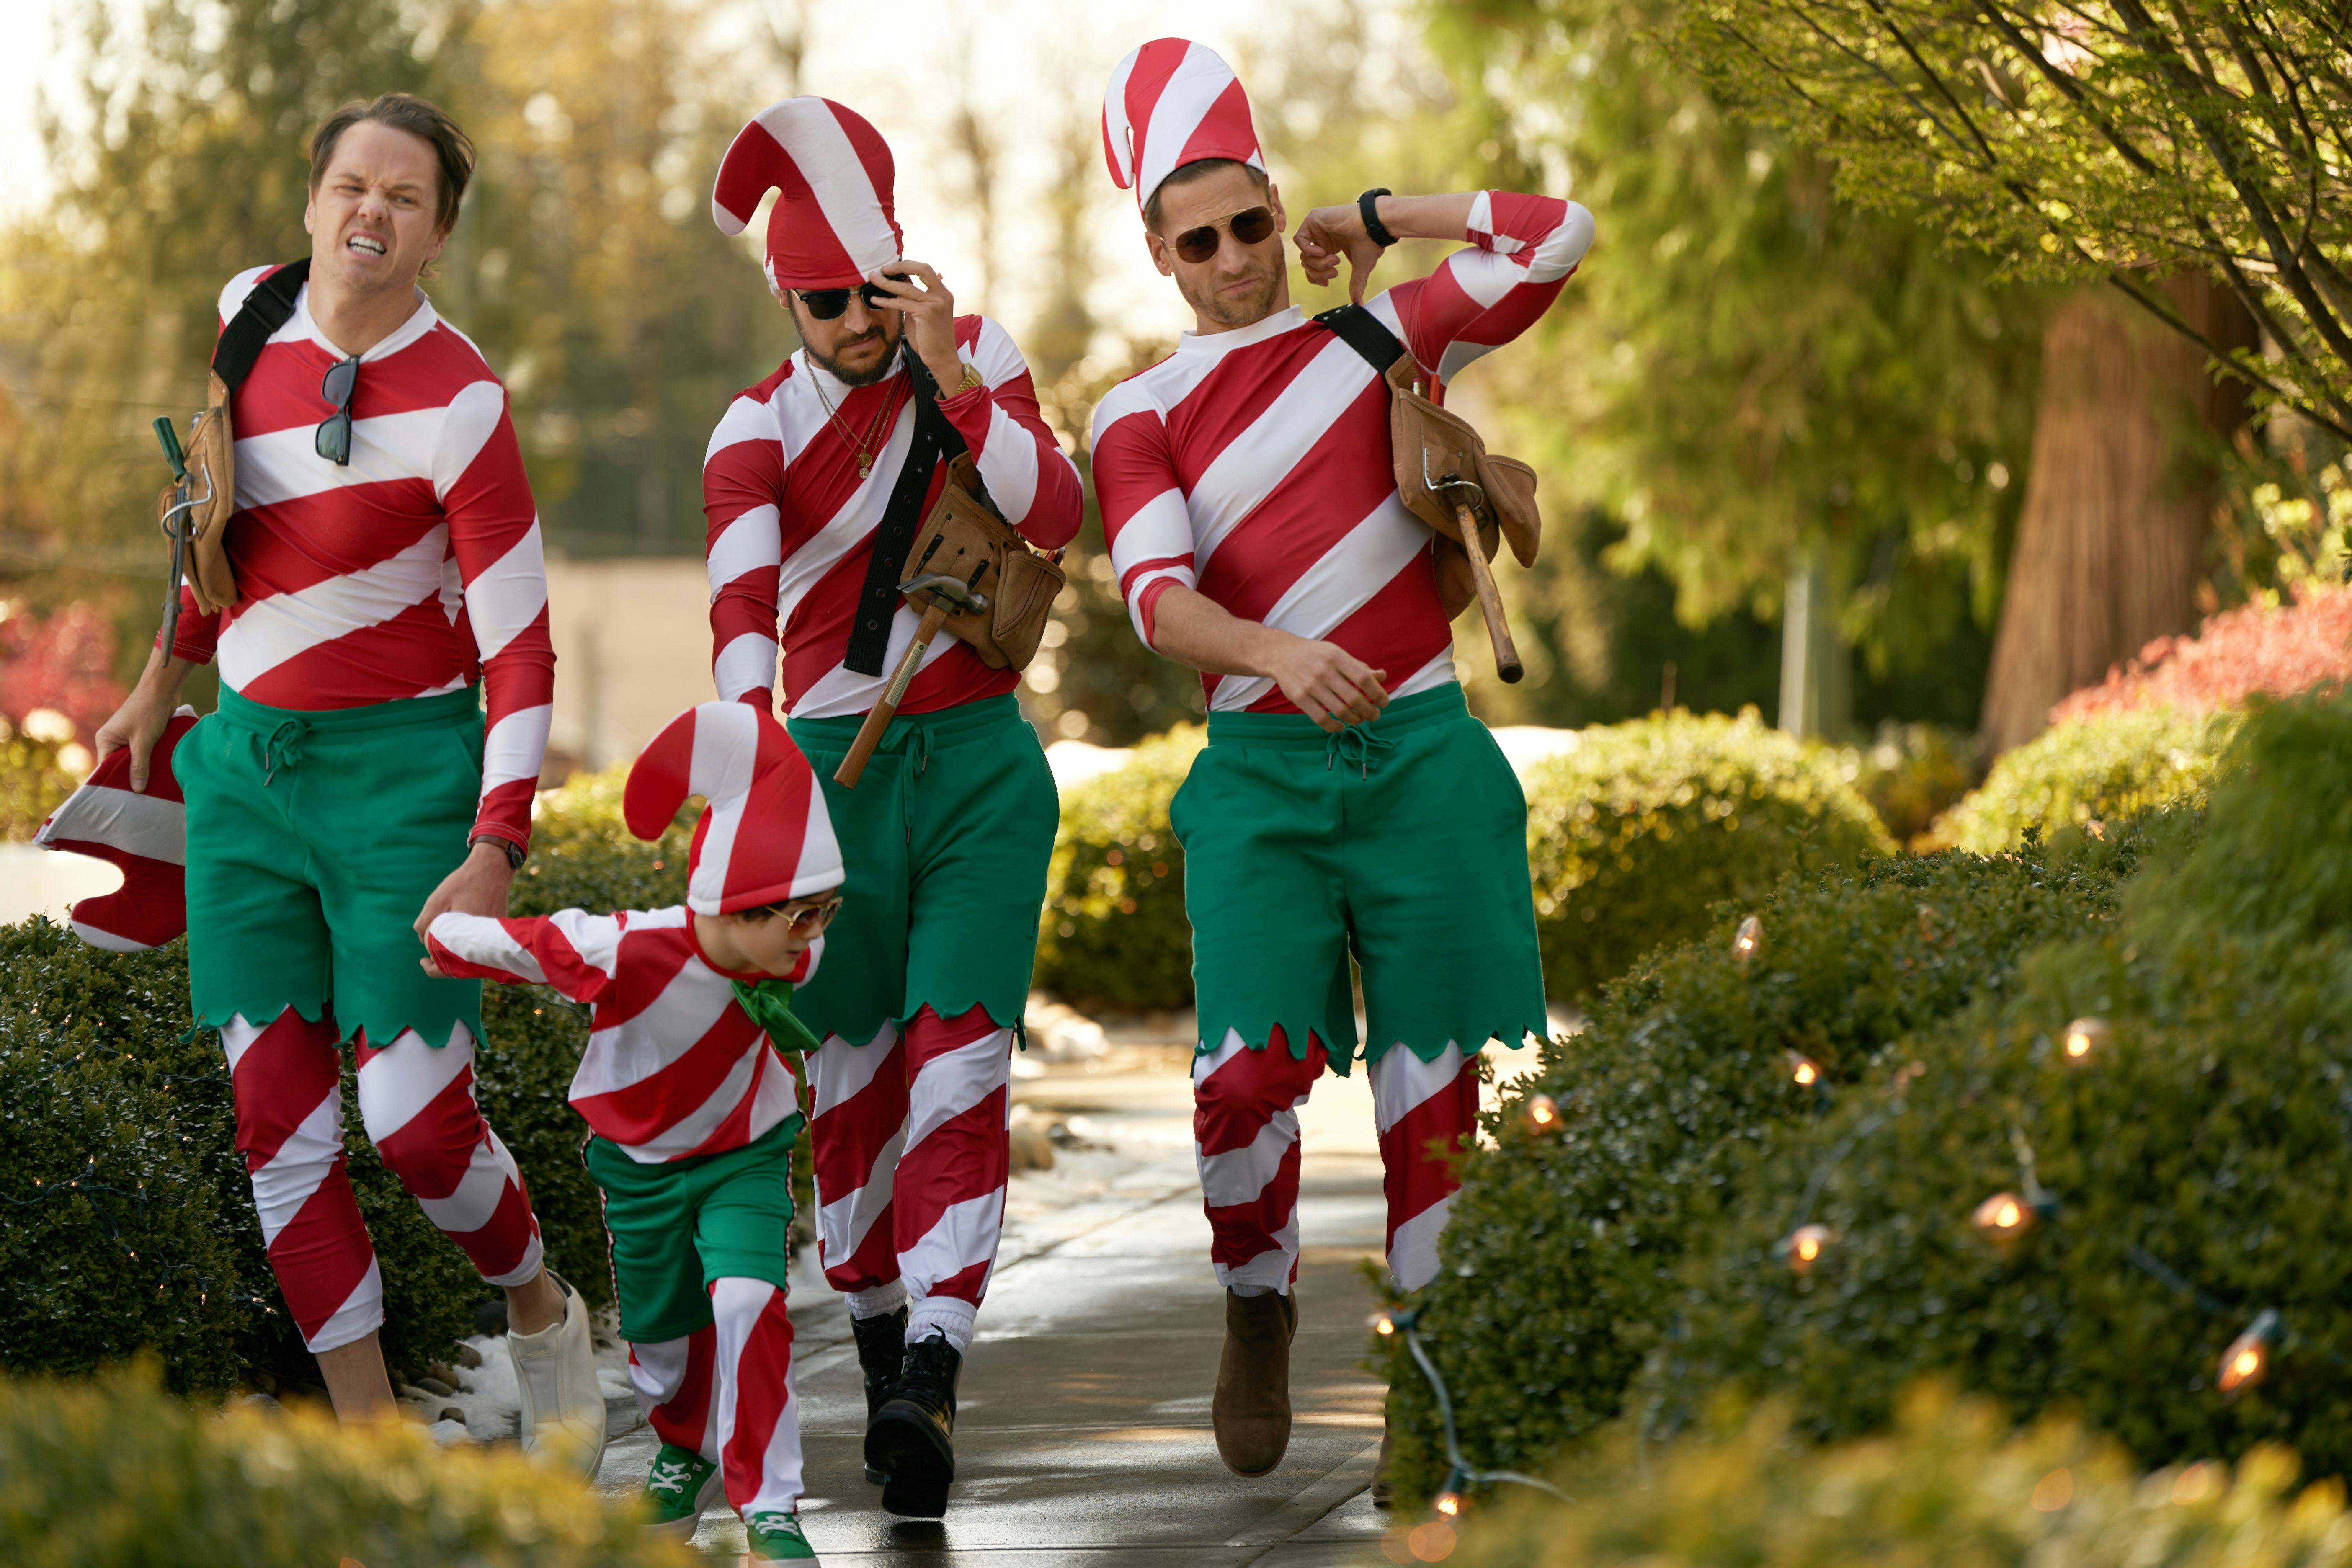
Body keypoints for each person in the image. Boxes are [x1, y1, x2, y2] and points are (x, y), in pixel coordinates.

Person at [1090, 39, 1594, 1482]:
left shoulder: (1381, 339)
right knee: (1243, 1076)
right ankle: (1257, 1300)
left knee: (1435, 1091)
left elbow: (1557, 235)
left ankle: (1428, 1398)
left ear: (1275, 208)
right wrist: (1276, 654)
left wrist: (1378, 219)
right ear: (1159, 254)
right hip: (1260, 776)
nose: (1234, 258)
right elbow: (1155, 598)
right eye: (1199, 240)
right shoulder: (1136, 412)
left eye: (1251, 223)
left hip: (1425, 758)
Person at [91, 93, 603, 1465]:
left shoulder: (465, 403)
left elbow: (521, 646)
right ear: (315, 202)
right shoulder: (247, 313)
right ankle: (373, 1467)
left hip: (404, 787)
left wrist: (497, 844)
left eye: (405, 196)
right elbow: (212, 516)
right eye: (351, 186)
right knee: (280, 1132)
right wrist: (163, 671)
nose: (371, 209)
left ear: (438, 236)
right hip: (245, 778)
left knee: (416, 1126)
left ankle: (540, 1308)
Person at [700, 96, 1085, 1519]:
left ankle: (935, 1361)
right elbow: (741, 611)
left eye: (874, 292)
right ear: (784, 299)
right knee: (853, 1084)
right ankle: (876, 1342)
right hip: (830, 782)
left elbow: (1059, 508)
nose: (857, 323)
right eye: (827, 303)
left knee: (960, 1069)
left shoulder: (973, 356)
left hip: (980, 765)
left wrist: (954, 373)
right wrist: (751, 771)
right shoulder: (750, 430)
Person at [425, 701, 843, 1564]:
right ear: (739, 905)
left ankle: (771, 1505)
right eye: (803, 914)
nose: (816, 936)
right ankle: (684, 1449)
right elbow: (531, 946)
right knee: (661, 1332)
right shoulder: (632, 949)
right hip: (640, 1167)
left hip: (745, 1156)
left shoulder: (794, 955)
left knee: (748, 1303)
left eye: (826, 913)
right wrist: (449, 934)